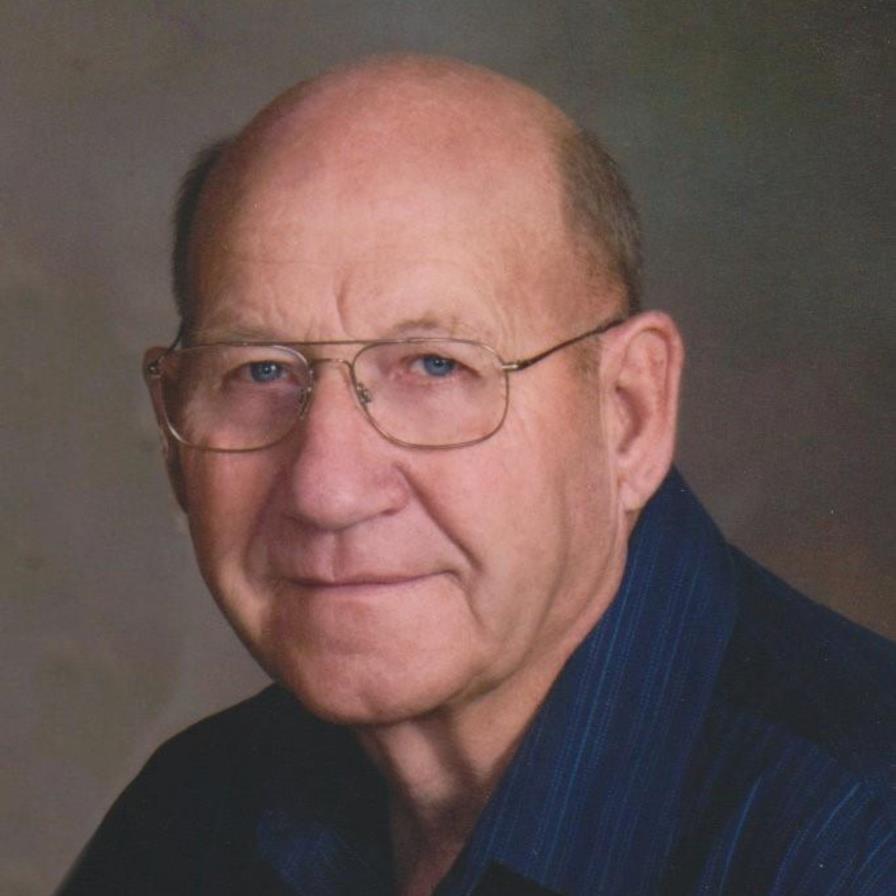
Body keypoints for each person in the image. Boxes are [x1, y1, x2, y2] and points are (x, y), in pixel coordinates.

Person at [58, 55, 895, 896]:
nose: (327, 491)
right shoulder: (188, 820)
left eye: (435, 366)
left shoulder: (858, 839)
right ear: (173, 436)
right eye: (259, 371)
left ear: (630, 414)